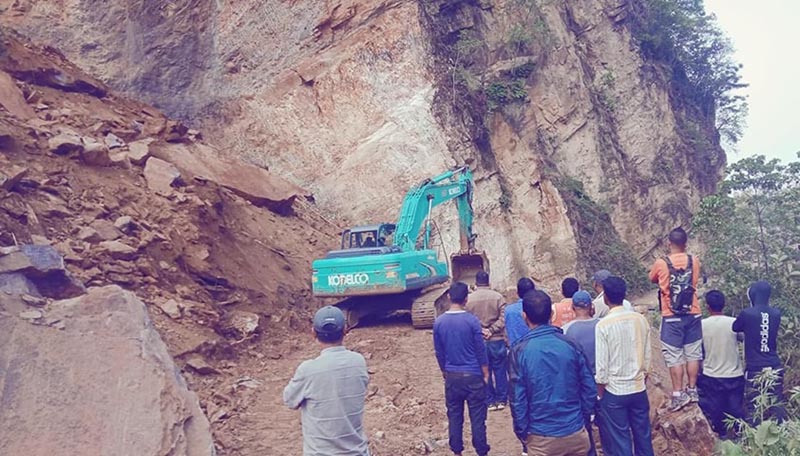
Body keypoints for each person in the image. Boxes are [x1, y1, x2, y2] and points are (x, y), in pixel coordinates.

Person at [510, 289, 596, 456]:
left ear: (524, 316)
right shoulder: (571, 345)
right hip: (575, 432)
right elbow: (588, 388)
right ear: (551, 313)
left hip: (540, 438)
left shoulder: (519, 351)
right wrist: (583, 419)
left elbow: (517, 399)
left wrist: (523, 433)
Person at [283, 306, 370, 456]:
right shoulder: (359, 361)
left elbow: (289, 401)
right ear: (345, 330)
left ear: (313, 333)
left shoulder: (308, 370)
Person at [595, 276, 654, 456]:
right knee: (643, 436)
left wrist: (600, 393)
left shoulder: (603, 325)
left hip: (615, 392)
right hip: (638, 388)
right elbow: (647, 355)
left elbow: (602, 368)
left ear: (605, 298)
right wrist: (644, 376)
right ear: (624, 294)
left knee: (621, 441)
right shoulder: (640, 319)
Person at [433, 282, 491, 456]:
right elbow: (480, 350)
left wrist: (444, 371)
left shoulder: (439, 322)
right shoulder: (472, 321)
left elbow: (439, 351)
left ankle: (457, 451)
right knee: (478, 417)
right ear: (466, 299)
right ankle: (481, 451)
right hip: (473, 375)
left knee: (455, 415)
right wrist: (486, 372)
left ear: (449, 297)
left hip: (452, 375)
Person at [649, 227, 703, 411]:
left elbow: (652, 279)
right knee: (693, 353)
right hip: (693, 312)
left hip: (671, 316)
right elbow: (694, 282)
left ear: (669, 243)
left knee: (675, 357)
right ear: (685, 244)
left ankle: (678, 394)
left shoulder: (661, 263)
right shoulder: (694, 260)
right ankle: (693, 390)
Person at [732, 281, 786, 423]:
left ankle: (754, 440)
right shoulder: (776, 313)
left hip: (755, 368)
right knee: (777, 403)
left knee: (753, 406)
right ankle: (784, 434)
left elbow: (735, 327)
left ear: (753, 295)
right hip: (774, 365)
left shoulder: (747, 313)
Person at [698, 290, 745, 438]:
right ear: (724, 305)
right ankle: (741, 439)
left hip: (712, 375)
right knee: (736, 410)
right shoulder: (734, 323)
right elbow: (744, 339)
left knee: (716, 412)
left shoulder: (701, 325)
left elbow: (698, 352)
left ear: (707, 306)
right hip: (734, 374)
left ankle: (722, 438)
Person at [562, 290, 600, 456]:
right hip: (603, 382)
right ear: (591, 306)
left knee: (584, 425)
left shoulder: (565, 331)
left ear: (573, 307)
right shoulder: (602, 325)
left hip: (579, 384)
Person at [467, 271, 508, 411]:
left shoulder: (469, 299)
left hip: (479, 341)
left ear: (476, 283)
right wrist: (491, 330)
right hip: (497, 340)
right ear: (488, 282)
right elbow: (503, 319)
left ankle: (489, 400)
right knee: (500, 370)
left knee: (485, 370)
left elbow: (468, 320)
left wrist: (481, 330)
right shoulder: (498, 297)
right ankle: (502, 399)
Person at [505, 277, 536, 346]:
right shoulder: (537, 308)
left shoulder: (508, 310)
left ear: (518, 293)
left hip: (515, 350)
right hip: (534, 349)